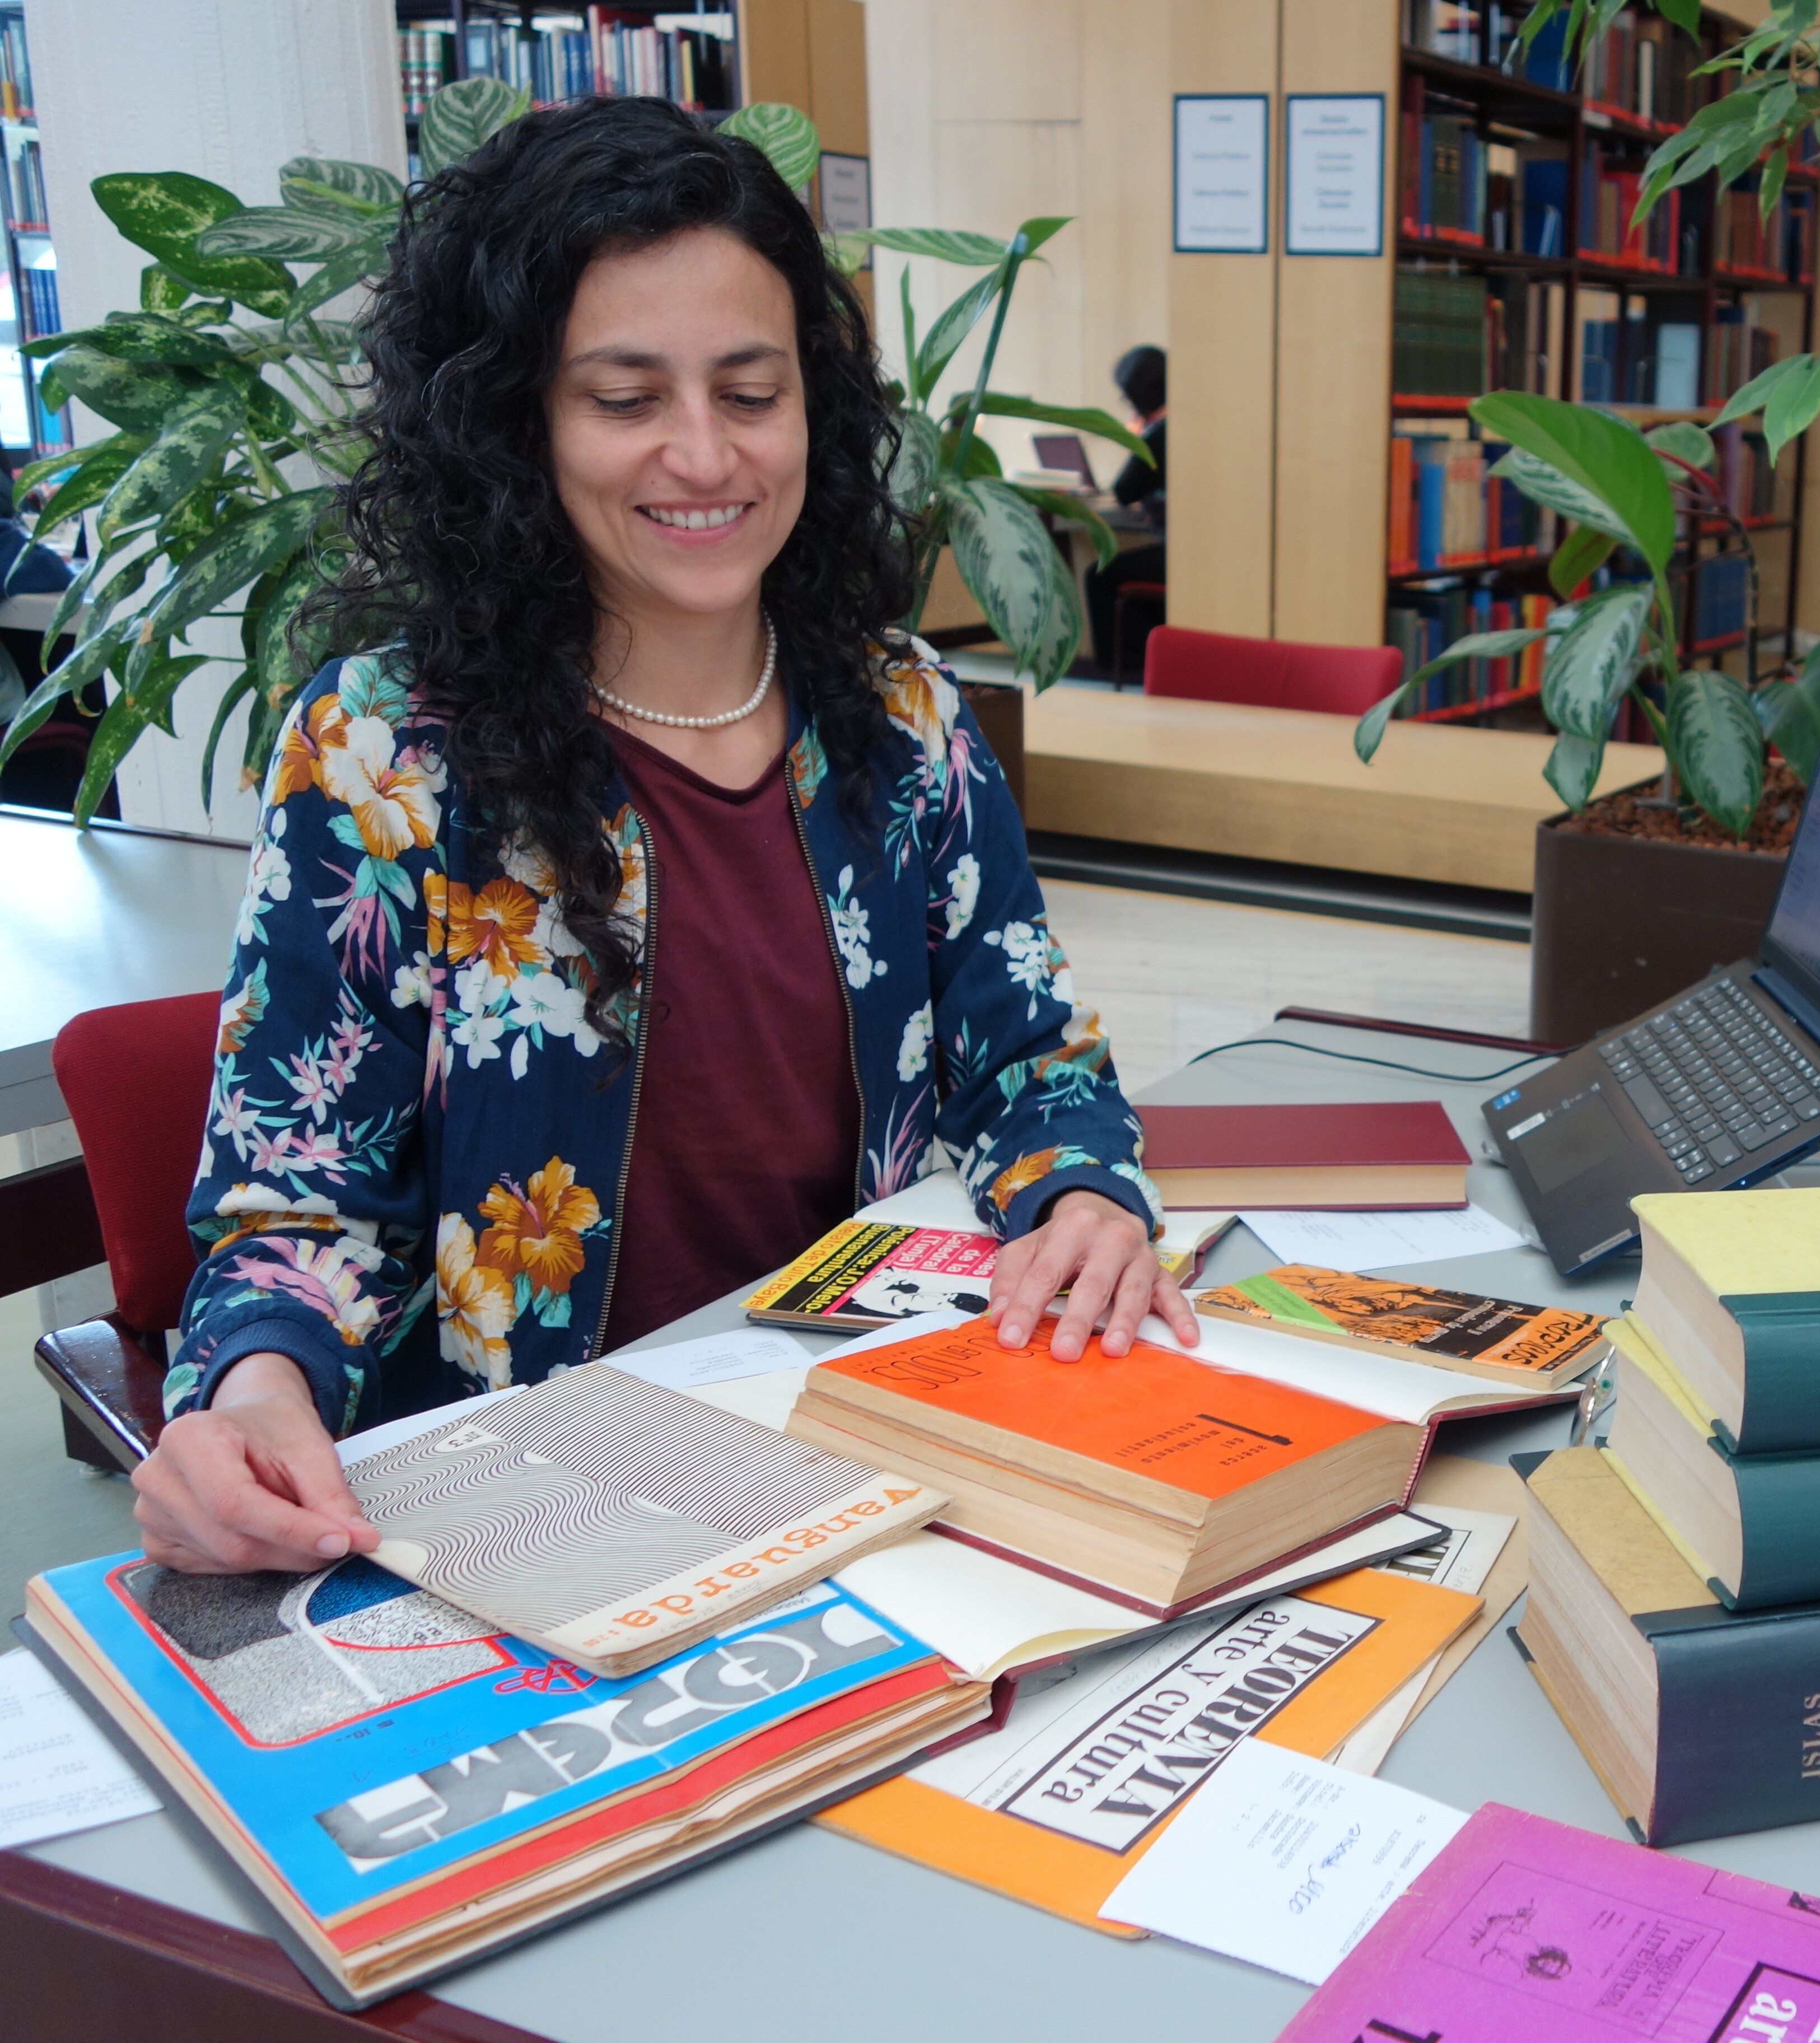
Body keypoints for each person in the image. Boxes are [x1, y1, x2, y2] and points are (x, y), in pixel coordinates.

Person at [133, 98, 1190, 1578]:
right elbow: (295, 1200)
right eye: (626, 399)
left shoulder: (904, 714)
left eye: (750, 393)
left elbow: (1032, 1060)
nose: (704, 456)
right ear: (518, 423)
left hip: (868, 1459)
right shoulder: (384, 753)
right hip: (526, 1518)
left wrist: (1081, 1186)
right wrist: (250, 1396)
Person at [1085, 343, 1165, 680]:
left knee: (1099, 575)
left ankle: (1124, 666)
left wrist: (1138, 437)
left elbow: (1124, 489)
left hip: (1176, 555)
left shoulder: (1161, 431)